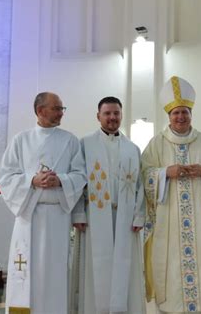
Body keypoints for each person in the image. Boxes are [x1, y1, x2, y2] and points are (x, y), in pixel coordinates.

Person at [0, 92, 86, 314]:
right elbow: (5, 177)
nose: (61, 113)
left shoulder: (70, 140)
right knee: (25, 269)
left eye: (61, 108)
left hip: (57, 216)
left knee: (54, 273)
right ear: (40, 111)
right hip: (29, 215)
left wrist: (61, 180)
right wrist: (32, 180)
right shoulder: (21, 140)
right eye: (57, 108)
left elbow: (81, 174)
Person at [141, 76, 201, 313]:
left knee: (200, 261)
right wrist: (166, 172)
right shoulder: (157, 143)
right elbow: (144, 174)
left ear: (191, 115)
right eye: (176, 113)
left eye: (185, 112)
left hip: (198, 221)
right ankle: (170, 306)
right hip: (168, 221)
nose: (180, 117)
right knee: (170, 264)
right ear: (169, 116)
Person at [70, 96, 145, 314]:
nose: (112, 117)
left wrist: (139, 215)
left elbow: (139, 184)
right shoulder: (85, 144)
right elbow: (78, 180)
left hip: (125, 216)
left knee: (124, 263)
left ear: (121, 115)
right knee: (97, 264)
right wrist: (78, 214)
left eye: (116, 113)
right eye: (107, 113)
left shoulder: (132, 148)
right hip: (94, 216)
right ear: (98, 116)